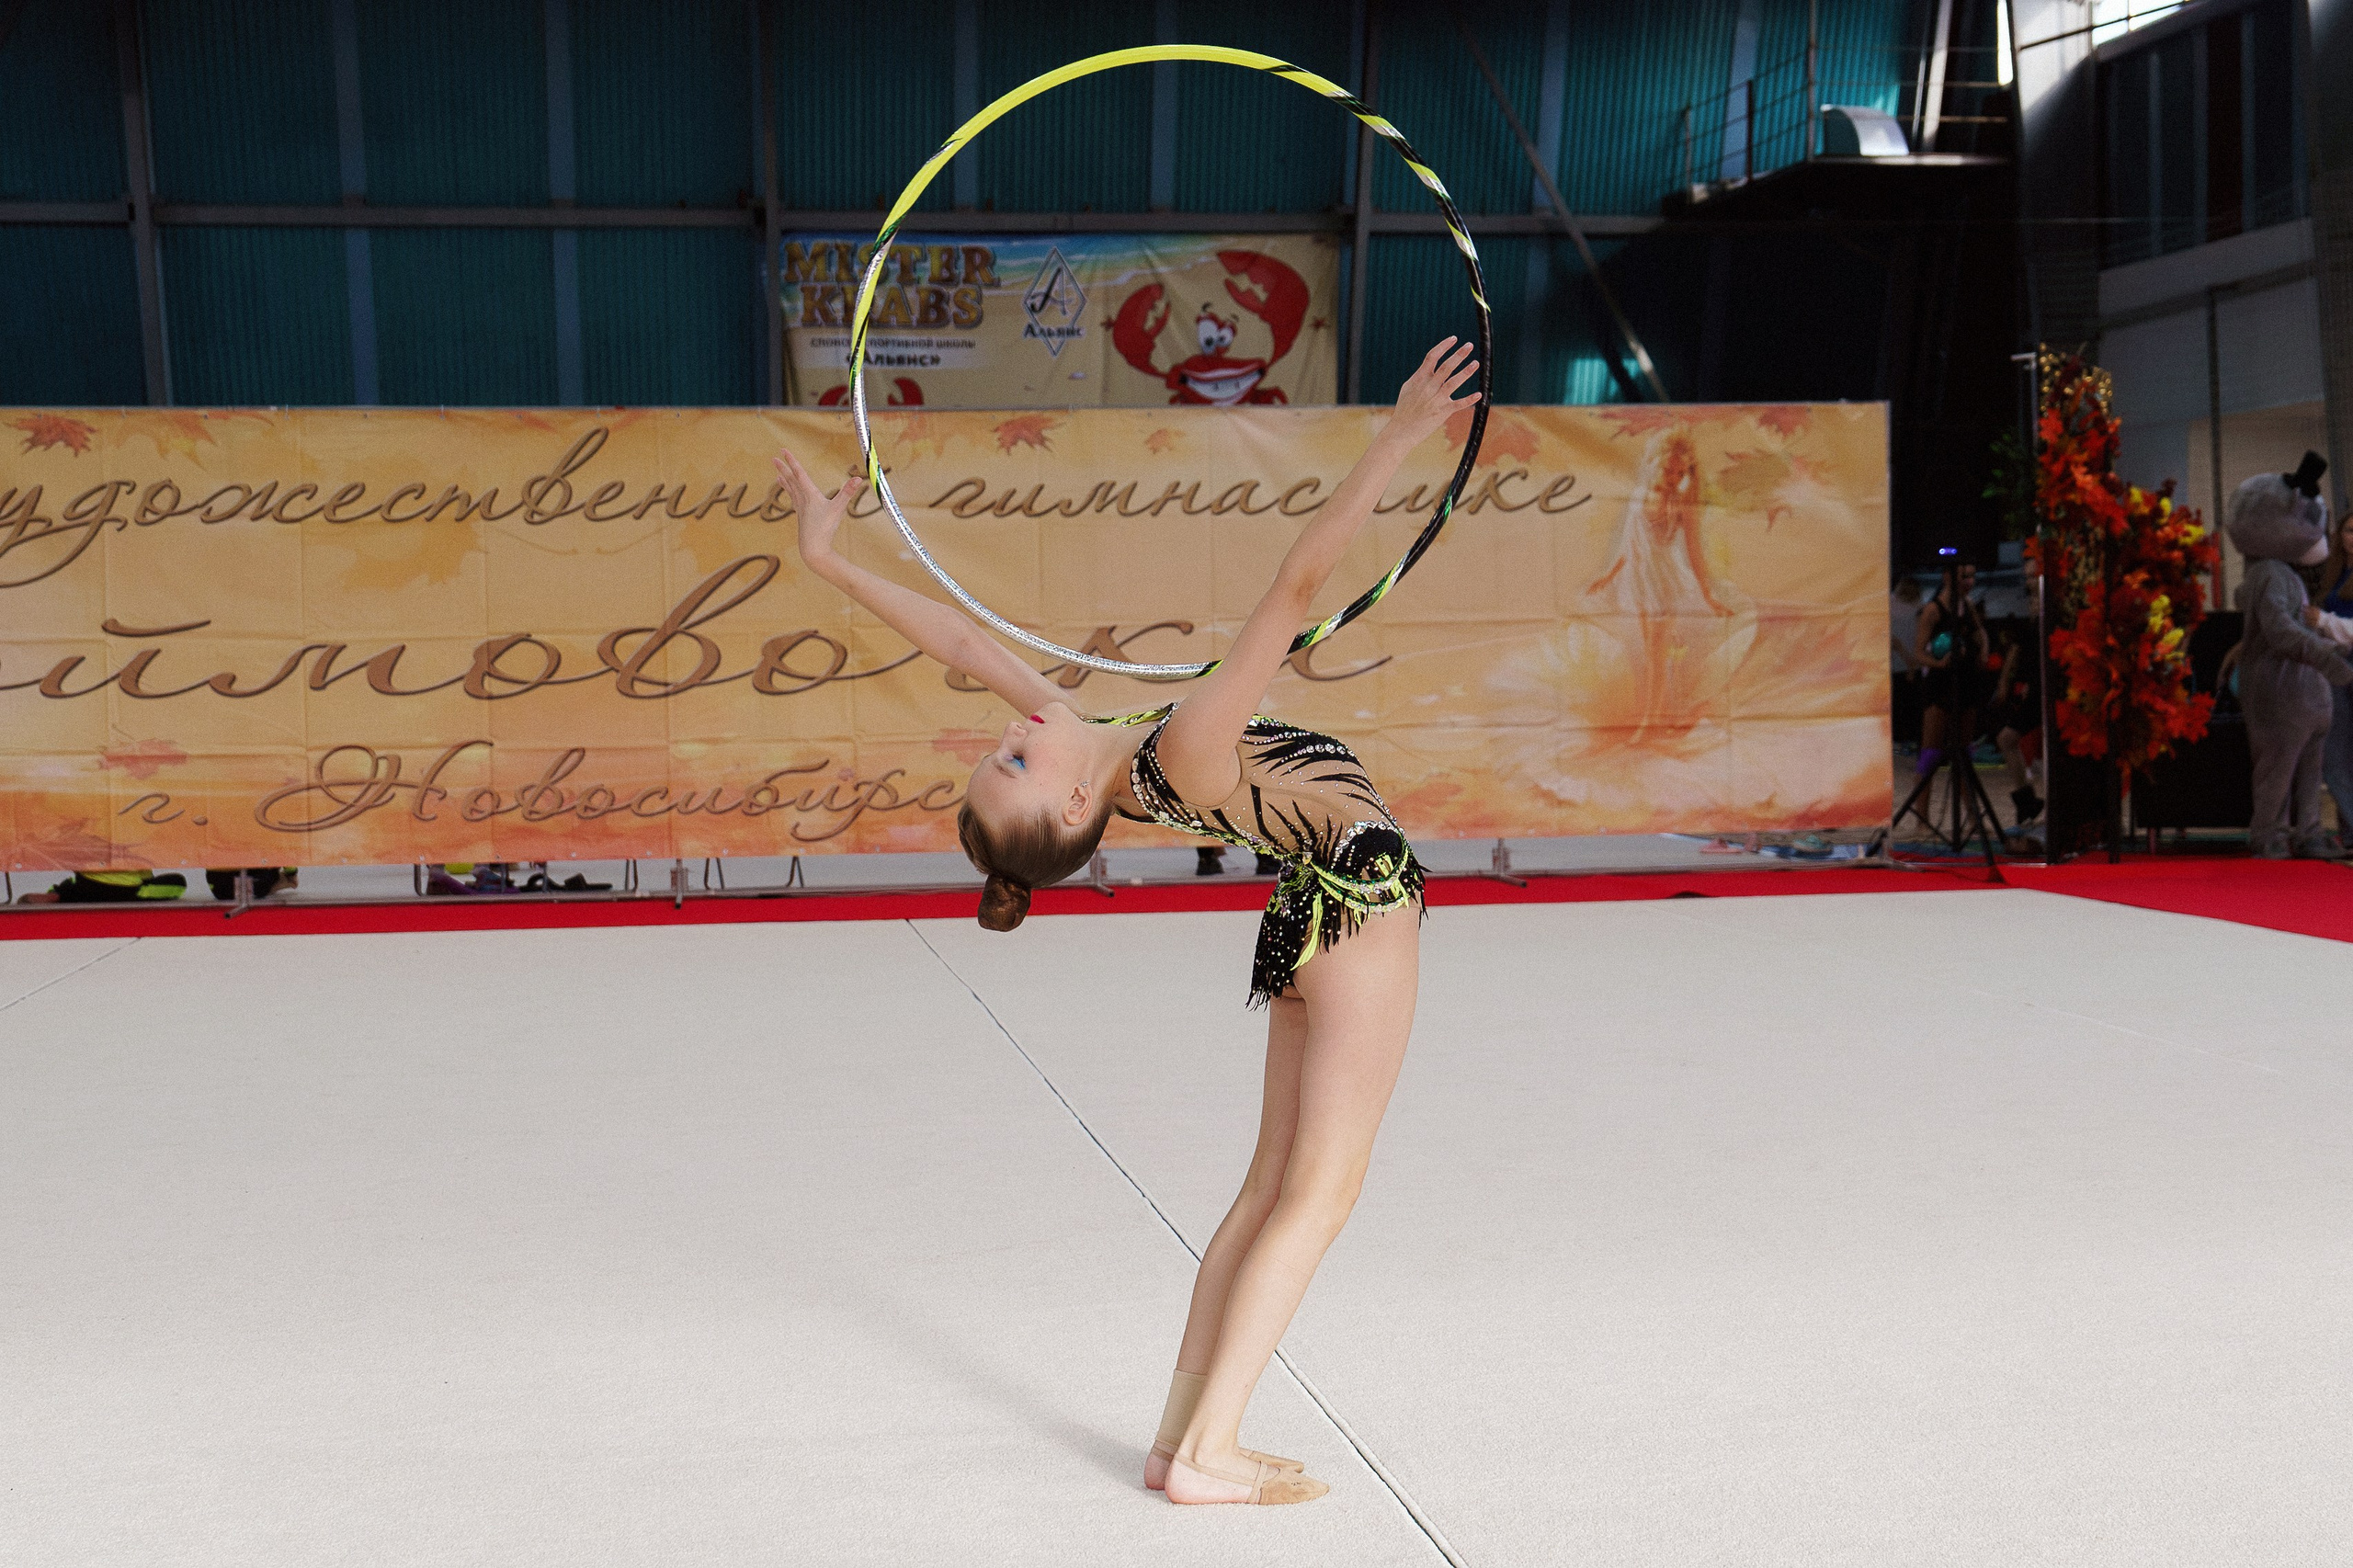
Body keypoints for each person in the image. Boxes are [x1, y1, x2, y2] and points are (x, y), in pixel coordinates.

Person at [773, 337, 1481, 1508]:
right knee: (1317, 1193)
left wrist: (827, 558)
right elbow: (1295, 590)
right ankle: (1211, 1451)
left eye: (999, 747)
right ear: (1066, 808)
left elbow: (960, 642)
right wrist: (1398, 437)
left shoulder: (1098, 746)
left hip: (1308, 915)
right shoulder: (1185, 751)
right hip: (1359, 913)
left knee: (1268, 1186)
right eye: (1011, 759)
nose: (1011, 731)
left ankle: (1178, 1438)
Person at [1912, 558, 1991, 801]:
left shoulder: (1968, 605)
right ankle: (1922, 816)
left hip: (1966, 683)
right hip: (1940, 686)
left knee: (1964, 754)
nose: (1969, 582)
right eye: (1964, 576)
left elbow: (1981, 632)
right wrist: (1939, 663)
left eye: (1972, 576)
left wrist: (1984, 651)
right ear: (1947, 576)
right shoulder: (1933, 610)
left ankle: (1971, 813)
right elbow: (1918, 653)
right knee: (1931, 753)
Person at [1890, 574, 1925, 745]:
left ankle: (1906, 739)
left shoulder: (1919, 606)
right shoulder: (1893, 603)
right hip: (1904, 664)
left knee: (1907, 707)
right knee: (1904, 706)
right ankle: (1904, 739)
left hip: (1907, 664)